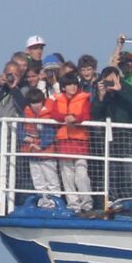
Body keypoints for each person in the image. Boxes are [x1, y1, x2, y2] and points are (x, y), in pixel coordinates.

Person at [41, 66, 95, 211]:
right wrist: (65, 118)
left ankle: (87, 202)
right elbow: (54, 114)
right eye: (69, 84)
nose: (73, 87)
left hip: (79, 141)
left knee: (81, 174)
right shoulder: (58, 100)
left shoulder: (84, 98)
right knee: (67, 175)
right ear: (63, 87)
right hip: (64, 141)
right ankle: (73, 205)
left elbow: (86, 114)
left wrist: (75, 118)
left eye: (74, 84)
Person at [97, 64, 132, 210]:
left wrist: (120, 91)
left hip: (127, 138)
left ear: (118, 77)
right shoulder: (104, 94)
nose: (110, 84)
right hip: (110, 140)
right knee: (112, 173)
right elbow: (95, 113)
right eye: (107, 81)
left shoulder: (129, 89)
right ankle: (113, 202)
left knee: (128, 173)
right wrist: (101, 97)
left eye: (112, 80)